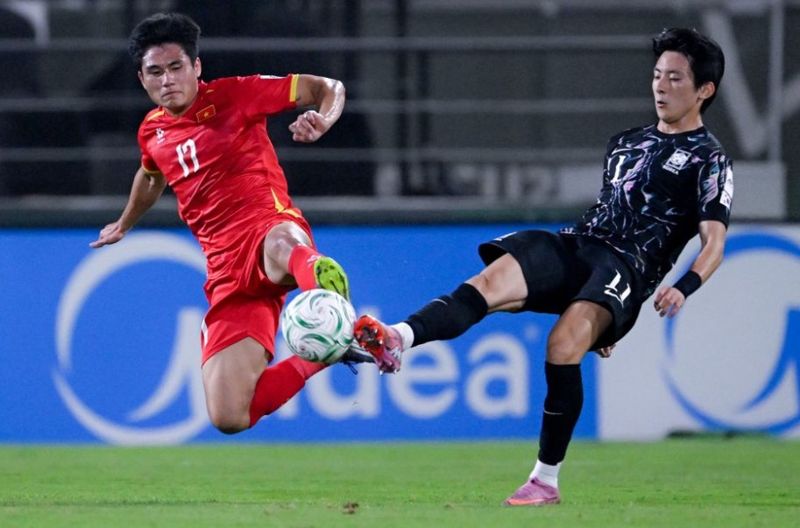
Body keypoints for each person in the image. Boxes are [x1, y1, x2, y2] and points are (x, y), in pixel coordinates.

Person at [355, 27, 733, 506]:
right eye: (657, 75)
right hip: (580, 245)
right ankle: (398, 338)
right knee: (490, 281)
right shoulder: (626, 142)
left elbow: (714, 242)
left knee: (562, 344)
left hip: (626, 267)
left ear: (704, 90)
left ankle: (545, 481)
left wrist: (682, 287)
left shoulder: (709, 159)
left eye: (675, 78)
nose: (661, 86)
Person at [90, 12, 372, 435]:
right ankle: (328, 347)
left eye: (176, 67)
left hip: (267, 226)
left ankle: (329, 299)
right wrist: (124, 223)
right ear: (141, 78)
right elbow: (150, 177)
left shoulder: (236, 94)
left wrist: (323, 120)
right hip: (225, 270)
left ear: (196, 66)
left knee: (283, 246)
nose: (167, 80)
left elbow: (327, 88)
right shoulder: (152, 131)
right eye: (156, 72)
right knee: (230, 415)